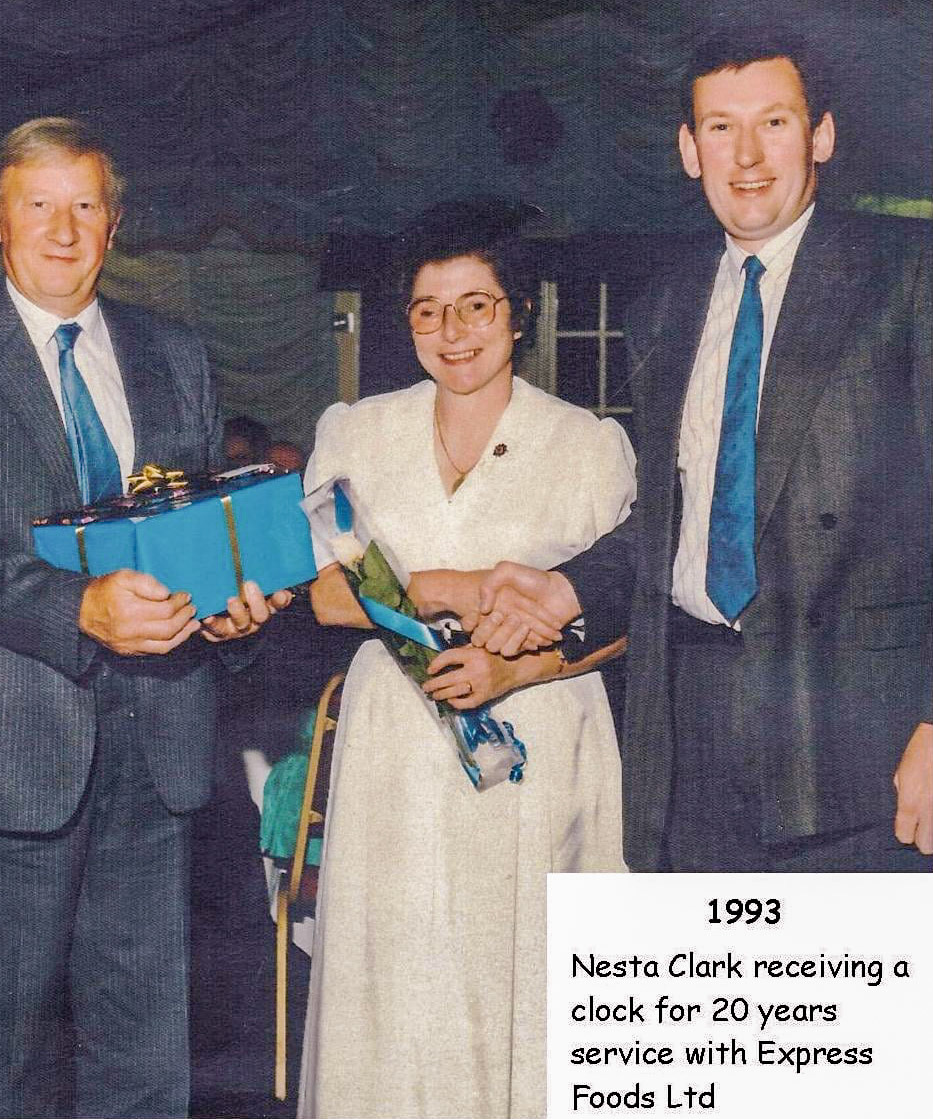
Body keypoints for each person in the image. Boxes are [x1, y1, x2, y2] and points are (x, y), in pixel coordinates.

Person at [473, 28, 932, 872]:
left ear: (821, 135)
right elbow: (678, 516)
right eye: (719, 128)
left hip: (857, 742)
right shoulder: (666, 305)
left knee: (851, 1005)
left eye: (775, 123)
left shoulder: (905, 273)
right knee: (707, 1002)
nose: (746, 156)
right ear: (689, 150)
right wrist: (567, 585)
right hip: (686, 738)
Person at [0, 117, 285, 1119]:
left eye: (84, 204)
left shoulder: (174, 353)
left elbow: (195, 524)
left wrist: (231, 615)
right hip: (9, 764)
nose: (62, 229)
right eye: (38, 205)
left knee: (145, 1063)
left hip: (161, 755)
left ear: (114, 221)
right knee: (4, 1065)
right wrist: (79, 610)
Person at [297, 199, 635, 1119]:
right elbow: (327, 593)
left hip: (533, 736)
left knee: (512, 974)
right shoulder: (353, 432)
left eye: (477, 305)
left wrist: (506, 653)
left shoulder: (587, 444)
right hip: (395, 742)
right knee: (392, 982)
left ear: (517, 313)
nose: (453, 332)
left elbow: (619, 620)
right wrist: (458, 584)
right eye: (427, 310)